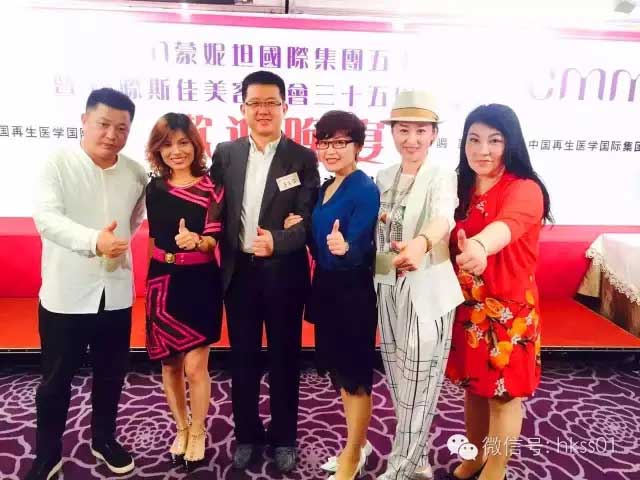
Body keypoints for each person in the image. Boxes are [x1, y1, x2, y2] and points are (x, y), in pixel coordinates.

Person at [28, 88, 146, 480]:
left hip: (116, 292)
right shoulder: (57, 163)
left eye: (122, 128)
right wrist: (95, 241)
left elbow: (134, 220)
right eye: (103, 124)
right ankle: (47, 454)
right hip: (66, 292)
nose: (112, 134)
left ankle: (104, 439)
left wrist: (114, 244)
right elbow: (46, 218)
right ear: (84, 120)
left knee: (111, 375)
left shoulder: (135, 173)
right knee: (55, 380)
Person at [209, 70, 320, 473]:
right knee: (242, 359)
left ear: (285, 107)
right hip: (239, 274)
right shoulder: (226, 154)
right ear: (243, 108)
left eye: (271, 102)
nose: (263, 110)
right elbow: (212, 206)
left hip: (284, 274)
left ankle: (284, 437)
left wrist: (278, 239)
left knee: (284, 359)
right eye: (254, 102)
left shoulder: (302, 158)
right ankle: (247, 434)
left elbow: (307, 221)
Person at [445, 104, 551, 480]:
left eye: (494, 140)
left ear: (511, 144)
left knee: (503, 395)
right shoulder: (460, 186)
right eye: (473, 140)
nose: (482, 150)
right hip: (468, 307)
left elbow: (505, 227)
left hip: (508, 311)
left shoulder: (524, 188)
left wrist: (478, 246)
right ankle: (475, 456)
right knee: (474, 388)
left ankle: (496, 467)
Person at [284, 111, 379, 480]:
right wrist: (301, 227)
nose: (331, 150)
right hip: (326, 287)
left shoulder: (364, 188)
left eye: (340, 142)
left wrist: (346, 247)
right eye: (324, 142)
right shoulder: (326, 187)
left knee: (355, 378)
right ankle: (356, 446)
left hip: (352, 291)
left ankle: (352, 457)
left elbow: (359, 246)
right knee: (340, 375)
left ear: (358, 146)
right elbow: (319, 242)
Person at [374, 90, 464, 480]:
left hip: (427, 287)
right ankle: (419, 459)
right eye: (403, 130)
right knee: (399, 378)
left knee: (420, 381)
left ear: (433, 134)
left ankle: (400, 467)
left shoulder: (442, 175)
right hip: (387, 284)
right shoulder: (383, 176)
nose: (411, 139)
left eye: (421, 130)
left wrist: (421, 243)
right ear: (392, 132)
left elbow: (444, 217)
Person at [144, 113, 224, 469]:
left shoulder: (212, 188)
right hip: (161, 282)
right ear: (157, 150)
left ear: (195, 145)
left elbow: (213, 240)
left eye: (183, 142)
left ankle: (199, 430)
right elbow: (153, 239)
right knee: (170, 365)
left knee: (195, 366)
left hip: (200, 281)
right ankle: (181, 427)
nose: (175, 151)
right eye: (167, 145)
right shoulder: (154, 189)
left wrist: (197, 240)